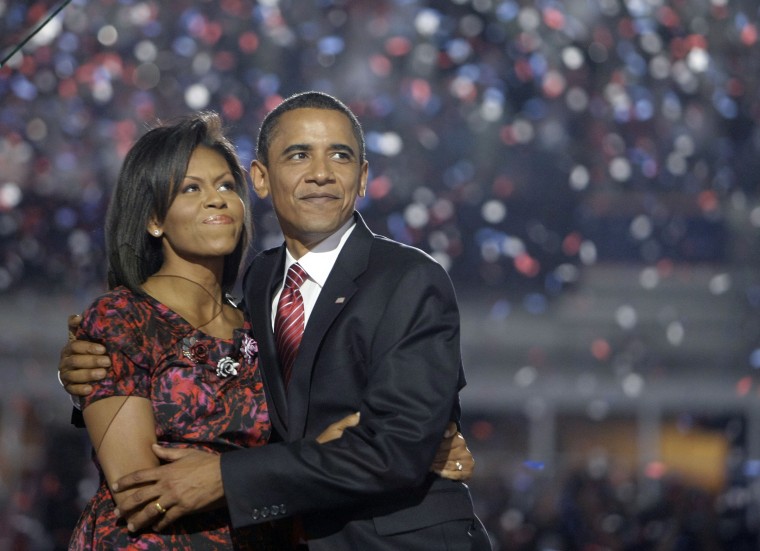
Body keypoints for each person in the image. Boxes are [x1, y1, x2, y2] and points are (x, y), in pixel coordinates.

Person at [61, 91, 491, 550]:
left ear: (363, 177)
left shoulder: (409, 279)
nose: (321, 173)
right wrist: (96, 369)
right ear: (263, 179)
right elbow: (146, 471)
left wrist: (229, 477)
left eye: (340, 156)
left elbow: (396, 448)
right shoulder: (262, 283)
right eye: (299, 154)